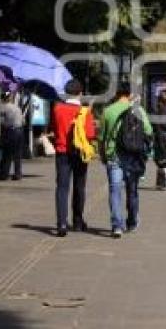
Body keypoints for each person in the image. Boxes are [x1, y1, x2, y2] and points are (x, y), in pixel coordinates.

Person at [100, 82, 152, 238]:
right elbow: (148, 131)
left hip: (113, 156)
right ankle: (132, 221)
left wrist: (103, 155)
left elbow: (102, 137)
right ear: (130, 94)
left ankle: (117, 226)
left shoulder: (108, 111)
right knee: (132, 190)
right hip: (133, 156)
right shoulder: (138, 110)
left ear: (116, 94)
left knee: (115, 191)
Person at [51, 79, 96, 237]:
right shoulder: (85, 112)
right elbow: (90, 135)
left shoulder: (57, 109)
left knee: (62, 188)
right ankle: (77, 221)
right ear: (80, 93)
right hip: (80, 153)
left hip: (62, 151)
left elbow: (55, 129)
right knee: (79, 187)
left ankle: (61, 223)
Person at [0, 92, 25, 181]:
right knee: (18, 154)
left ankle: (4, 174)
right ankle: (18, 174)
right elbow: (23, 121)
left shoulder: (3, 107)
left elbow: (1, 122)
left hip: (10, 131)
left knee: (7, 153)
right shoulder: (17, 108)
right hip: (20, 130)